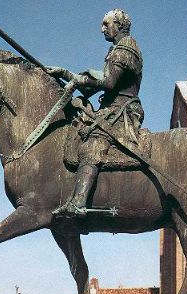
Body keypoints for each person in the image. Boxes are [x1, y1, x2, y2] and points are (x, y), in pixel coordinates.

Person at [46, 9, 143, 217]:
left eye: (106, 24)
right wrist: (66, 74)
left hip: (122, 111)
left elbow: (108, 83)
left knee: (94, 144)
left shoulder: (126, 48)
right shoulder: (117, 49)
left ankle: (79, 203)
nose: (102, 29)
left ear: (118, 25)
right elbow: (94, 85)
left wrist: (80, 80)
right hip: (111, 109)